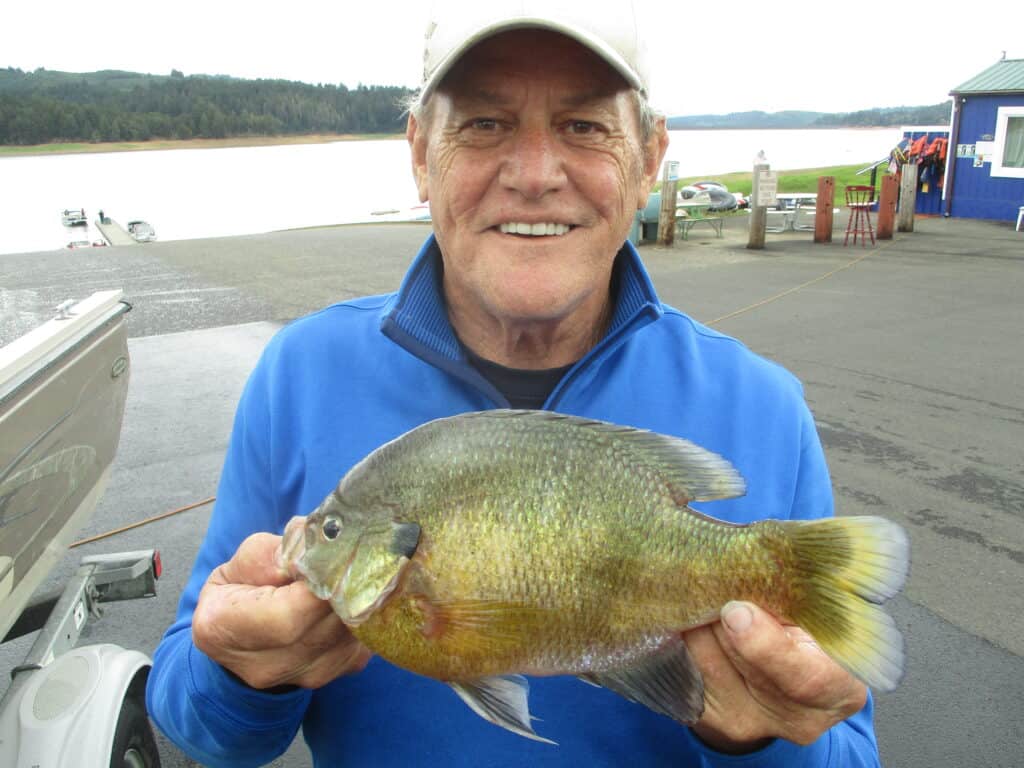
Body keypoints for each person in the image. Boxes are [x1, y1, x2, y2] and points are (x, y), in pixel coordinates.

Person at [147, 2, 884, 766]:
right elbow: (198, 726)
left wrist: (762, 739)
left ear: (650, 157)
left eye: (585, 126)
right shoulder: (297, 375)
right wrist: (243, 678)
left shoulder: (762, 405)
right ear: (420, 154)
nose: (535, 175)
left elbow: (849, 752)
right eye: (485, 124)